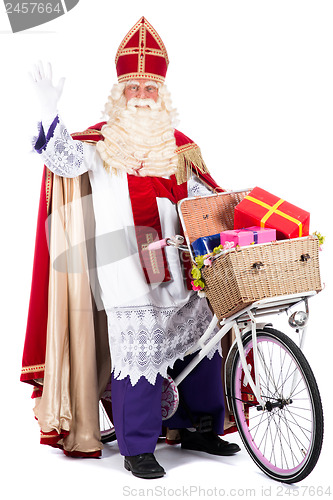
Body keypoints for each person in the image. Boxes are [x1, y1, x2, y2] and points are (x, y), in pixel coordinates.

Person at [21, 17, 240, 479]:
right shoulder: (100, 143)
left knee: (202, 340)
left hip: (182, 261)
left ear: (162, 93)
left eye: (149, 87)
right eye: (133, 86)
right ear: (119, 92)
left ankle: (199, 427)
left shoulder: (181, 146)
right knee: (137, 351)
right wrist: (48, 114)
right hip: (127, 264)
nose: (141, 95)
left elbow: (203, 195)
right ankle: (137, 446)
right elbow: (63, 159)